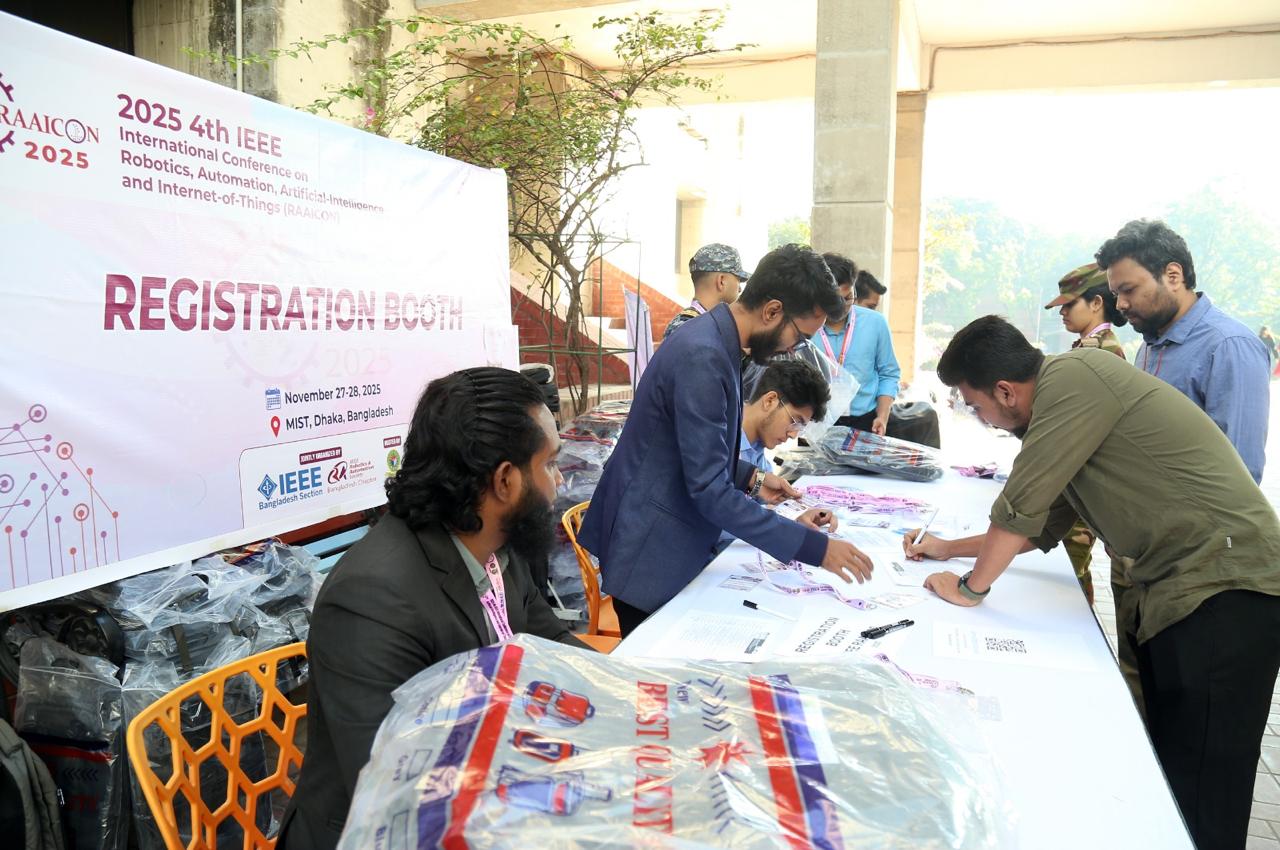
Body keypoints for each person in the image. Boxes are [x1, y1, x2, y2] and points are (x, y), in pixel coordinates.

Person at [904, 315, 1280, 850]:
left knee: (1204, 792)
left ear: (1005, 391)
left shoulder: (1074, 379)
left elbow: (1021, 504)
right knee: (1172, 771)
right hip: (1186, 590)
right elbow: (1041, 525)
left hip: (1227, 587)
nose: (980, 418)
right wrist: (946, 548)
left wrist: (970, 590)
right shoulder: (1068, 401)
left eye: (975, 405)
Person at [280, 368, 587, 850]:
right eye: (549, 464)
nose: (558, 481)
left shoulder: (497, 549)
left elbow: (555, 645)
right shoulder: (372, 600)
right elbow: (396, 788)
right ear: (505, 481)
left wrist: (631, 700)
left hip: (488, 783)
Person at [579, 244, 875, 636]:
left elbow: (691, 447)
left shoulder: (717, 342)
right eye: (799, 337)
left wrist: (752, 478)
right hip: (651, 550)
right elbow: (708, 488)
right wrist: (814, 548)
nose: (794, 350)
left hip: (661, 535)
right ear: (772, 311)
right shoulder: (703, 354)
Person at [1096, 218, 1270, 484]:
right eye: (1115, 294)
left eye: (1128, 290)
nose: (1120, 304)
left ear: (1173, 276)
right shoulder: (1148, 347)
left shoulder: (1229, 346)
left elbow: (1240, 474)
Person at [1041, 262, 1128, 604]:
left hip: (1085, 481)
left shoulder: (1101, 353)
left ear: (1096, 303)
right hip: (1077, 480)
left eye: (1069, 304)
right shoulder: (1088, 347)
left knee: (1072, 571)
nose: (1062, 312)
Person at [716, 359, 832, 553]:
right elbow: (718, 518)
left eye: (801, 428)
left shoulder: (757, 450)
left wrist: (798, 514)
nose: (793, 434)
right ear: (770, 401)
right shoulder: (718, 439)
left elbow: (761, 500)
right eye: (795, 421)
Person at [815, 252, 901, 436]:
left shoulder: (876, 323)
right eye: (836, 300)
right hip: (816, 423)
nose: (843, 305)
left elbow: (889, 373)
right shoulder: (807, 327)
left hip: (865, 421)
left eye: (849, 297)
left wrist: (882, 416)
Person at [663, 242, 750, 339]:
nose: (739, 289)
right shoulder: (697, 329)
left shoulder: (689, 325)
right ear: (721, 281)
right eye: (738, 280)